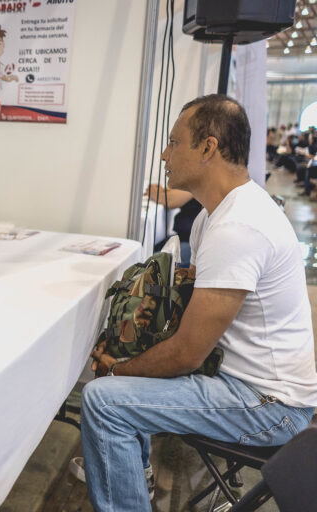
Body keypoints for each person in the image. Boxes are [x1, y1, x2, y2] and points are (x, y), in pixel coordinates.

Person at [81, 95, 317, 511]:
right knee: (119, 383)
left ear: (207, 148)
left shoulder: (238, 226)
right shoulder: (216, 216)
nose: (164, 154)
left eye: (174, 142)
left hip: (270, 405)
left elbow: (188, 354)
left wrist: (117, 369)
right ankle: (133, 479)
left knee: (104, 400)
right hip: (248, 385)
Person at [143, 183, 201, 265]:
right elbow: (173, 191)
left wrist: (157, 194)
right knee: (146, 251)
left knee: (150, 262)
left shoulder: (202, 179)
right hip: (184, 237)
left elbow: (169, 200)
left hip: (193, 244)